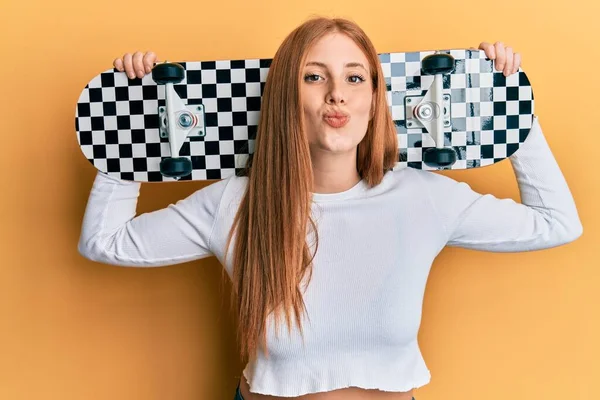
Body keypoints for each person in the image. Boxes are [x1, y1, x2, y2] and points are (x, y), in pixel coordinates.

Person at [78, 16, 583, 400]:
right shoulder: (235, 203)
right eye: (314, 77)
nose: (337, 94)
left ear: (374, 99)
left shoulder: (424, 196)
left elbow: (557, 223)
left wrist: (508, 107)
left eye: (355, 78)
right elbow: (104, 241)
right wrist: (128, 126)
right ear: (285, 97)